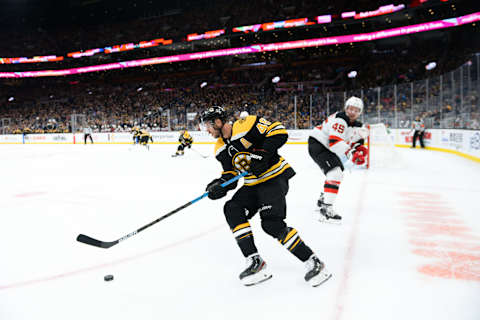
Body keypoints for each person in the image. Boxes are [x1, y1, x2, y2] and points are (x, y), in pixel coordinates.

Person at [201, 106, 331, 287]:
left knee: (271, 224)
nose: (205, 130)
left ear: (218, 121)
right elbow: (231, 175)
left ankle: (314, 261)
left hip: (274, 177)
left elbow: (279, 132)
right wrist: (218, 186)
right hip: (252, 184)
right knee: (232, 209)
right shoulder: (220, 148)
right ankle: (255, 262)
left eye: (207, 125)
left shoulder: (246, 124)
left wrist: (263, 155)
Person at [308, 96, 368, 223]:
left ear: (360, 112)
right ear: (346, 108)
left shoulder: (359, 126)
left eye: (356, 110)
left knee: (337, 172)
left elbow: (357, 144)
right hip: (318, 144)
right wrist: (352, 153)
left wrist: (359, 150)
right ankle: (326, 211)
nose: (353, 112)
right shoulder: (341, 119)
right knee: (335, 173)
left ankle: (323, 199)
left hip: (326, 147)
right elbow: (334, 143)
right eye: (351, 109)